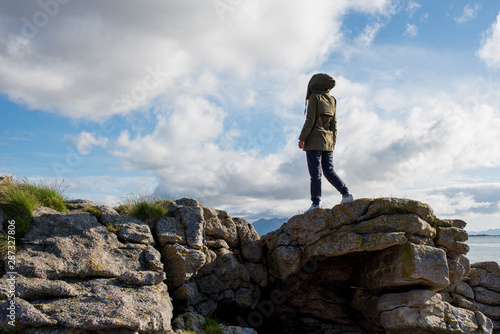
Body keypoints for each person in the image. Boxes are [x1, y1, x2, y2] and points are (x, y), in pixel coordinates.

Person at [298, 73, 353, 212]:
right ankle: (346, 194)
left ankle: (315, 204)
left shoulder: (314, 97)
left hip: (314, 140)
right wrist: (333, 140)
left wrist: (302, 138)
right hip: (328, 141)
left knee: (315, 173)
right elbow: (334, 123)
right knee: (329, 170)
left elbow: (310, 120)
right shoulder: (332, 100)